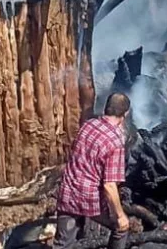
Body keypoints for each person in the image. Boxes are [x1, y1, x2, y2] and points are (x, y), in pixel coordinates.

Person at [53, 93, 132, 249]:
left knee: (62, 244)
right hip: (89, 199)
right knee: (121, 228)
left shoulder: (88, 125)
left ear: (106, 108)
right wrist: (120, 215)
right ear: (126, 114)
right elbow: (109, 186)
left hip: (68, 191)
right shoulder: (115, 142)